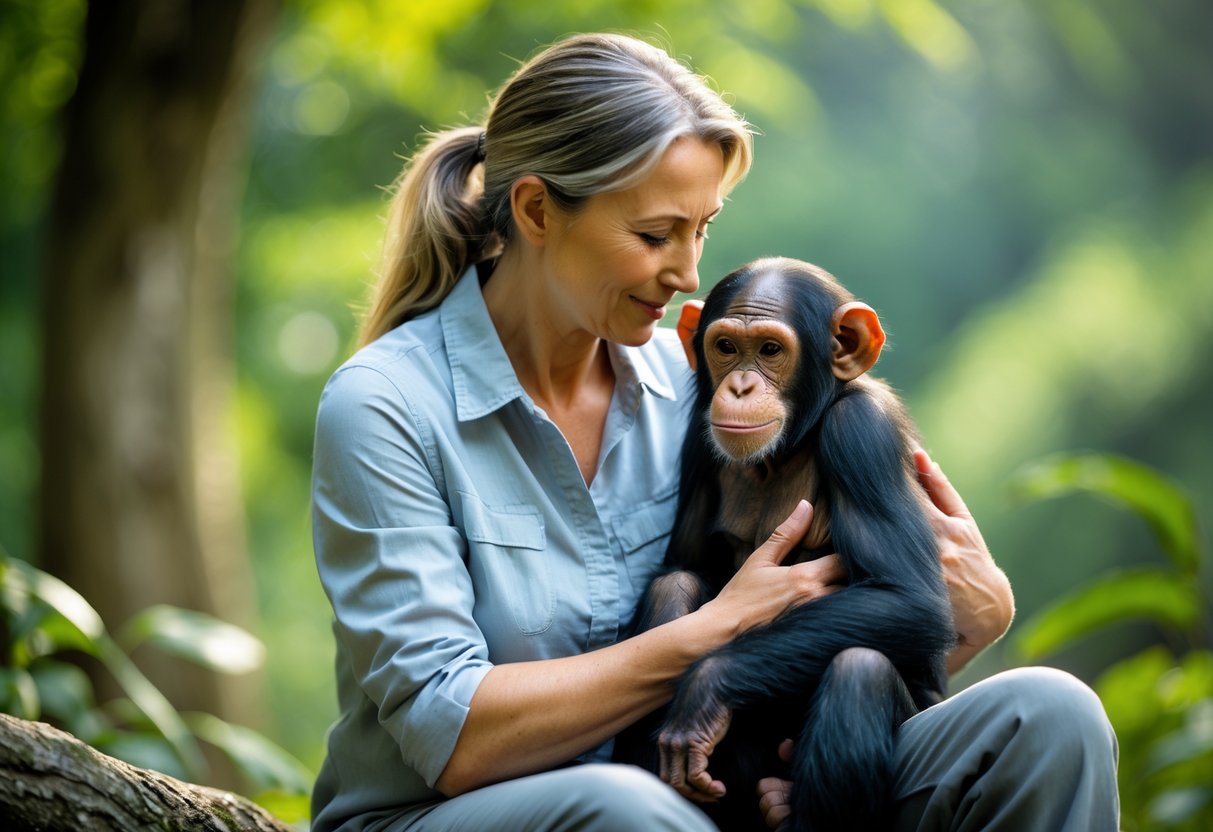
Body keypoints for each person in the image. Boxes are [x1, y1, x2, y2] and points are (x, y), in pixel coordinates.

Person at [309, 32, 1119, 832]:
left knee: (1047, 717)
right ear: (535, 211)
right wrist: (714, 634)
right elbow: (451, 740)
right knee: (626, 810)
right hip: (457, 813)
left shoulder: (701, 386)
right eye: (655, 234)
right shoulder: (387, 405)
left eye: (701, 229)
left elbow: (865, 637)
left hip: (702, 784)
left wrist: (972, 611)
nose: (689, 272)